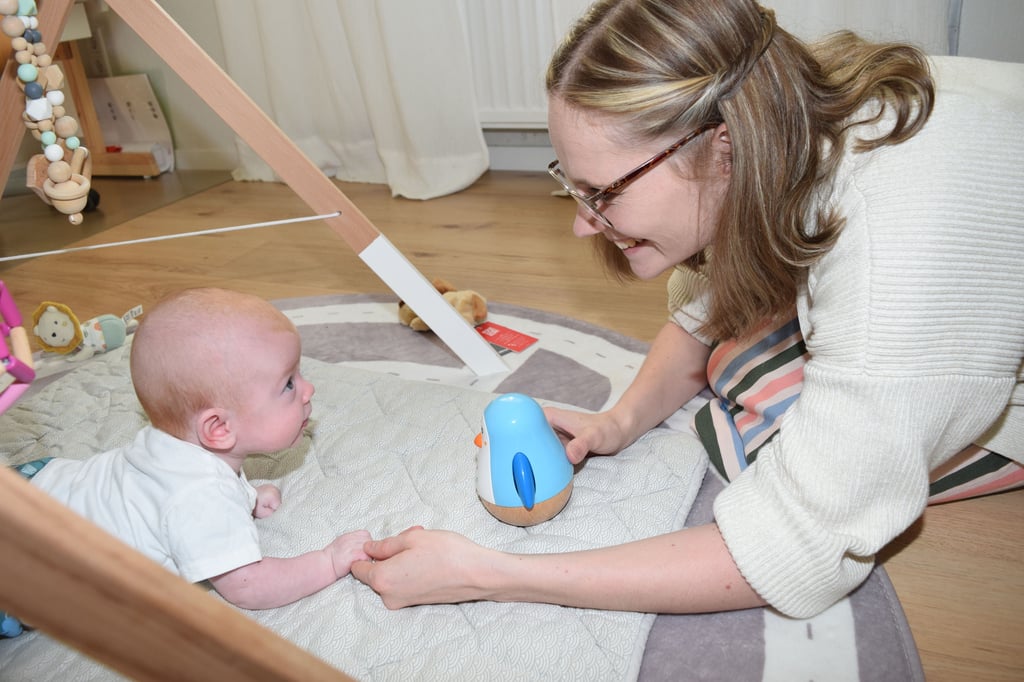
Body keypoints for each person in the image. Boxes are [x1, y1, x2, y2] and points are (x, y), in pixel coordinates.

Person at [351, 0, 1023, 618]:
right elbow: (703, 314)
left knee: (794, 441)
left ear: (722, 147)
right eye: (573, 188)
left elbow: (796, 549)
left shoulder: (896, 251)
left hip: (967, 339)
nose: (583, 225)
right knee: (735, 360)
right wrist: (619, 421)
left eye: (602, 192)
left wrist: (492, 574)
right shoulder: (773, 120)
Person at [2, 288, 370, 637]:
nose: (308, 390)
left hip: (38, 483)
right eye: (288, 384)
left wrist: (245, 497)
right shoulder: (199, 497)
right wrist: (328, 561)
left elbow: (171, 497)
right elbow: (248, 585)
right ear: (218, 428)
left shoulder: (172, 449)